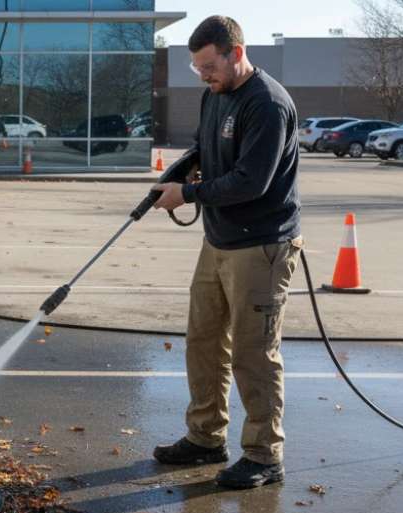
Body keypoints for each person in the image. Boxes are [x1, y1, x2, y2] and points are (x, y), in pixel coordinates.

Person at [150, 15, 302, 489]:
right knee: (204, 341)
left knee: (254, 353)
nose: (204, 76)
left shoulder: (267, 104)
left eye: (210, 66)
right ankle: (205, 437)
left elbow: (250, 182)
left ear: (236, 53)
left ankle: (263, 454)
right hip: (218, 240)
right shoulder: (214, 95)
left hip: (260, 245)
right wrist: (177, 173)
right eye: (198, 68)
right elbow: (203, 149)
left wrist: (187, 197)